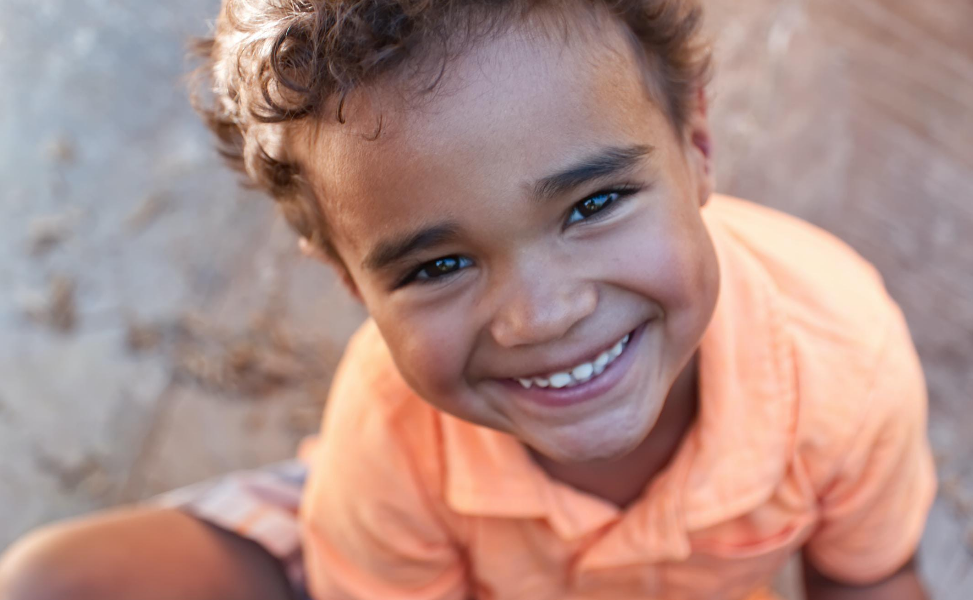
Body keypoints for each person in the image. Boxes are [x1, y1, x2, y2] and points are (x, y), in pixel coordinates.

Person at [0, 0, 936, 599]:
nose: (542, 314)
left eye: (594, 203)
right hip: (393, 543)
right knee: (56, 584)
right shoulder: (390, 429)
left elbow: (869, 577)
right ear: (350, 282)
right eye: (435, 267)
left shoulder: (839, 361)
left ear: (696, 145)